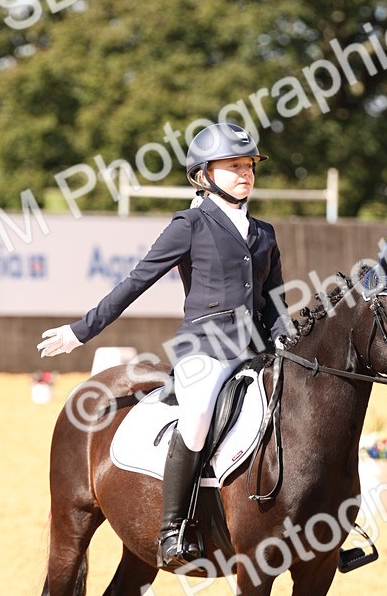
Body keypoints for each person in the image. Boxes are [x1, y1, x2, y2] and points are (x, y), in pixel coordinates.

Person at [37, 122, 291, 568]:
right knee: (196, 419)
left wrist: (284, 340)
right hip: (205, 352)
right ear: (204, 174)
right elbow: (136, 282)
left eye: (249, 166)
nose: (245, 174)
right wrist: (81, 331)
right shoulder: (190, 225)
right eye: (233, 166)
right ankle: (174, 528)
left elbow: (275, 303)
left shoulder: (263, 232)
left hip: (257, 354)